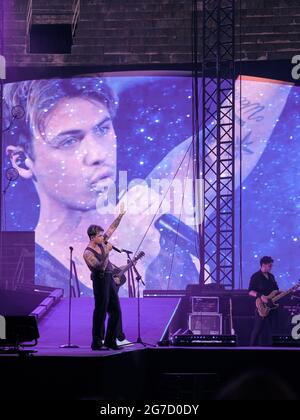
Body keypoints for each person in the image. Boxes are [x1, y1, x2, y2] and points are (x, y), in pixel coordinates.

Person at [3, 76, 292, 294]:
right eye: (69, 140)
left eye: (103, 129)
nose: (97, 154)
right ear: (22, 161)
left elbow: (247, 116)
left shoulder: (154, 208)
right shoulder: (23, 269)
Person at [83, 203, 126, 350]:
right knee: (101, 310)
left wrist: (120, 216)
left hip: (109, 279)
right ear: (92, 237)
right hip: (100, 280)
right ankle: (96, 341)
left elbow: (112, 229)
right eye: (100, 236)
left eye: (103, 235)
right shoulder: (87, 252)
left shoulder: (102, 242)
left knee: (116, 311)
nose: (103, 237)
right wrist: (107, 252)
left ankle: (110, 340)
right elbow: (99, 266)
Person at [248, 256, 280, 346]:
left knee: (274, 329)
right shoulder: (256, 276)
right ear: (263, 265)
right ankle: (251, 349)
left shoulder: (271, 276)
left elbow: (276, 289)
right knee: (257, 330)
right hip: (261, 306)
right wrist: (261, 296)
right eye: (269, 266)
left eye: (271, 266)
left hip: (271, 305)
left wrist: (275, 292)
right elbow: (250, 291)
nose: (271, 267)